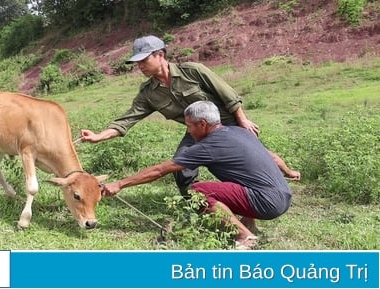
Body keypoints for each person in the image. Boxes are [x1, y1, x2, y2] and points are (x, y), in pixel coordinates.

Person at [80, 35, 300, 196]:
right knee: (182, 169)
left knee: (257, 157)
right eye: (137, 62)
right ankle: (193, 203)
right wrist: (99, 136)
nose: (140, 66)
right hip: (196, 133)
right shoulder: (148, 93)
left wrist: (242, 121)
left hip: (228, 125)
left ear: (160, 55)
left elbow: (227, 94)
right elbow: (127, 120)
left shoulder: (193, 70)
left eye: (144, 60)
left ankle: (287, 173)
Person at [101, 101, 294, 250]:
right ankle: (249, 221)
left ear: (203, 124)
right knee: (237, 175)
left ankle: (243, 235)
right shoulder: (238, 132)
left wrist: (120, 184)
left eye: (190, 126)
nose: (188, 131)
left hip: (267, 203)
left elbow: (160, 170)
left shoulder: (207, 147)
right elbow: (272, 157)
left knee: (198, 191)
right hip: (284, 196)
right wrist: (290, 172)